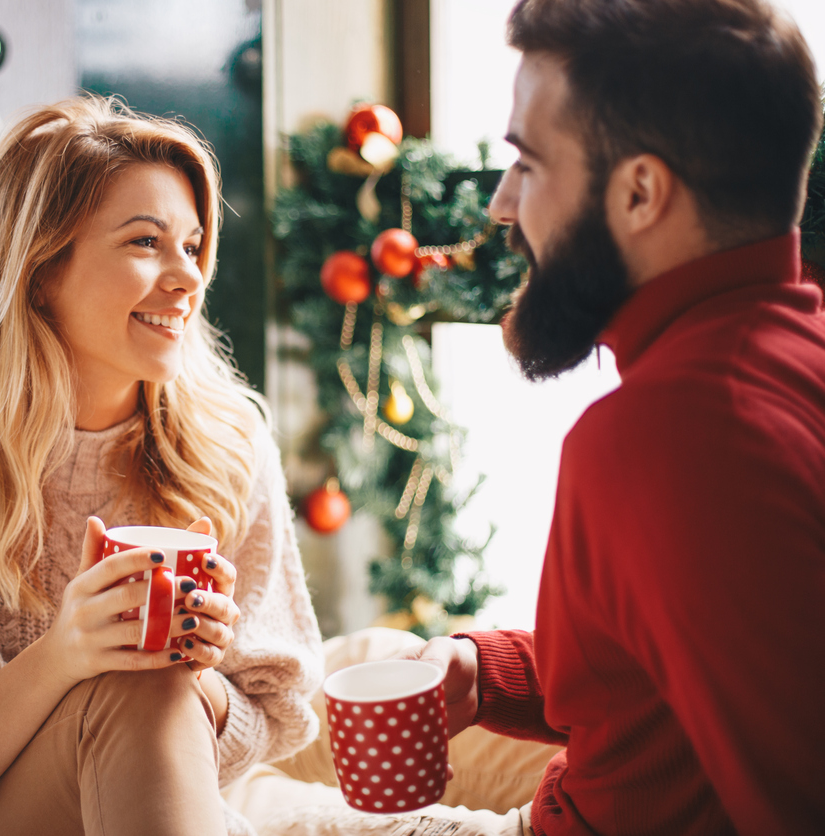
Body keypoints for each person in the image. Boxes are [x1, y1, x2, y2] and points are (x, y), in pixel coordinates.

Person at [235, 1, 824, 835]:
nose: (504, 206)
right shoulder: (795, 339)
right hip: (598, 771)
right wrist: (489, 672)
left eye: (529, 164)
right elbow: (678, 652)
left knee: (232, 802)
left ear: (641, 192)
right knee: (365, 659)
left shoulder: (674, 435)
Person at [0, 95, 324, 836]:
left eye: (191, 244)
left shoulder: (229, 447)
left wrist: (199, 680)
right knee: (139, 687)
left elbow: (276, 714)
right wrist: (65, 656)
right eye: (146, 242)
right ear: (42, 270)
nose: (187, 278)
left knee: (156, 688)